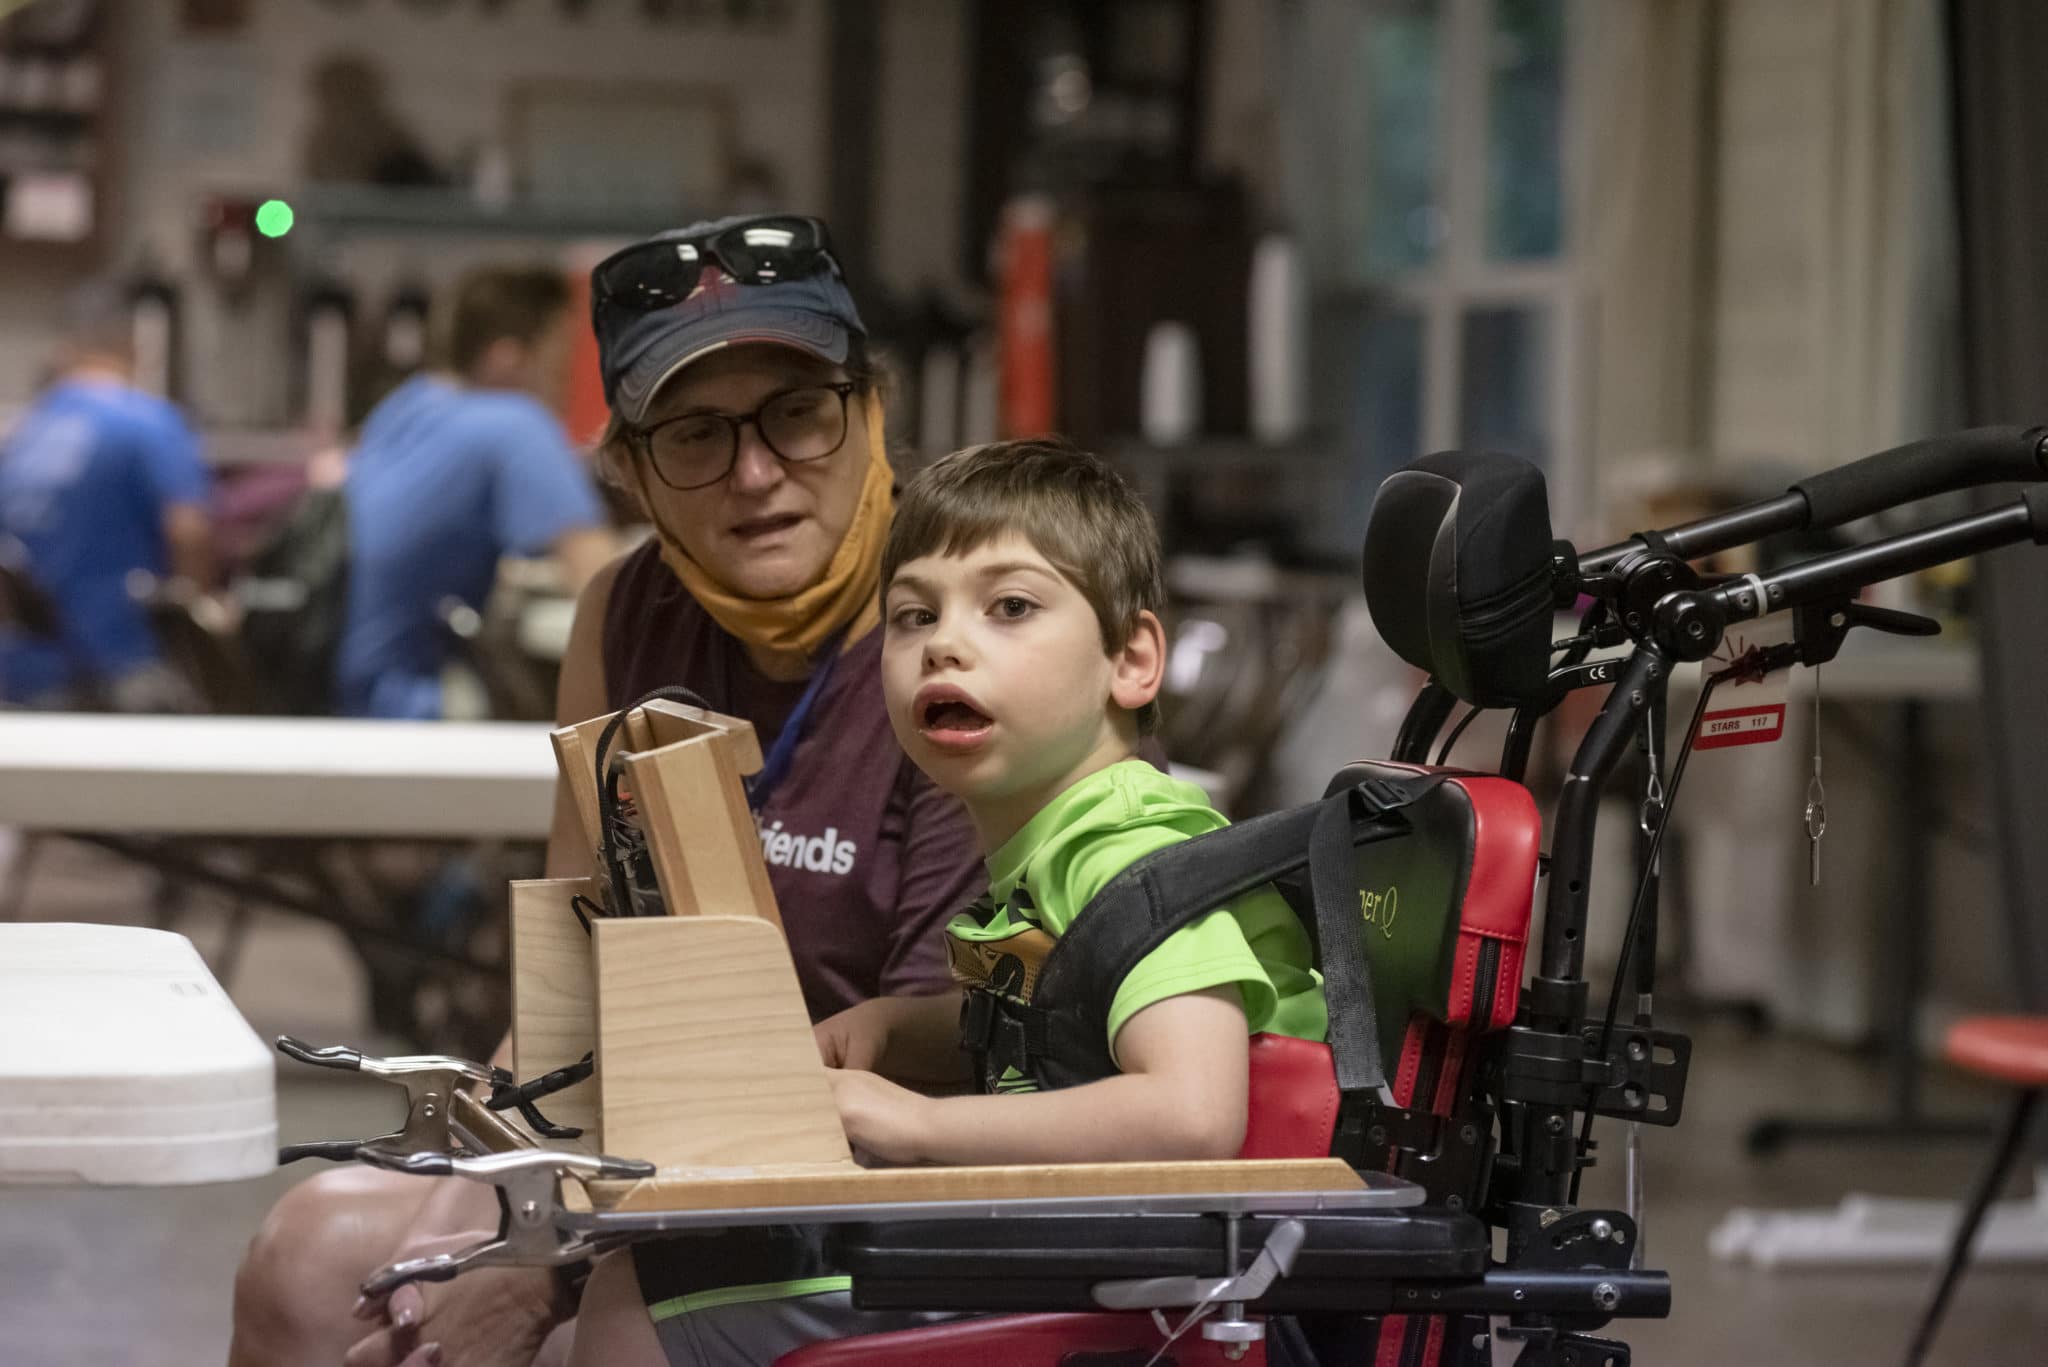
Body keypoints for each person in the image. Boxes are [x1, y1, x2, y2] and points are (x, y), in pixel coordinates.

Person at [228, 215, 984, 1367]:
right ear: (628, 469)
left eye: (795, 412)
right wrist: (479, 1201)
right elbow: (576, 971)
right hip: (640, 1130)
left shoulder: (956, 629)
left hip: (866, 1174)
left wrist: (554, 1254)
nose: (754, 472)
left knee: (591, 1329)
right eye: (694, 433)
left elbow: (938, 1059)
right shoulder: (626, 615)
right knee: (315, 1254)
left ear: (867, 409)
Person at [566, 438, 1327, 1367]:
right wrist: (900, 1026)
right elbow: (1061, 1016)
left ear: (1131, 659)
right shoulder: (1051, 840)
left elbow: (1191, 1112)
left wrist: (911, 1120)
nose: (944, 643)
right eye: (913, 614)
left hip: (1141, 1292)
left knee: (630, 1301)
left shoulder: (1135, 855)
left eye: (1011, 607)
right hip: (1074, 1248)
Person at [334, 264, 614, 719]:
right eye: (559, 368)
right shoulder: (514, 422)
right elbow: (603, 583)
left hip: (344, 691)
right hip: (414, 706)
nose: (564, 389)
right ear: (507, 359)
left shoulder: (405, 406)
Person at [0, 284, 215, 709]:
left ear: (66, 351)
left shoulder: (25, 433)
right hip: (119, 668)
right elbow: (188, 530)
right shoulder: (149, 423)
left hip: (23, 673)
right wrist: (200, 621)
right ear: (133, 348)